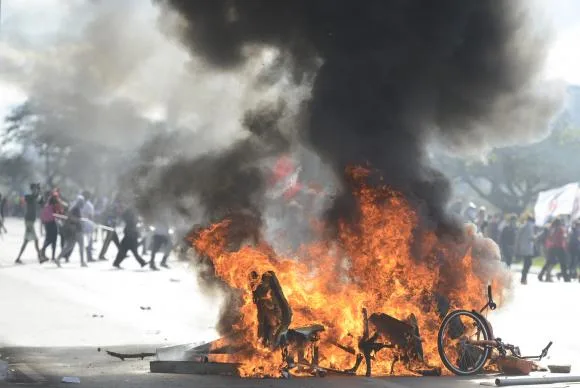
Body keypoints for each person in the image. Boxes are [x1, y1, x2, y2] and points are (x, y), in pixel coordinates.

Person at [15, 184, 47, 264]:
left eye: (36, 189)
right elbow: (33, 197)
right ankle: (40, 258)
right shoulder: (28, 197)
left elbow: (43, 204)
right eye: (34, 189)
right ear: (31, 189)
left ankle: (18, 258)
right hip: (28, 221)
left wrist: (41, 193)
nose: (35, 190)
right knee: (36, 240)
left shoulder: (35, 197)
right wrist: (39, 192)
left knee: (26, 241)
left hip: (31, 221)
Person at [55, 198, 87, 267]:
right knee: (80, 246)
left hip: (74, 230)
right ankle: (82, 262)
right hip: (77, 230)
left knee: (69, 246)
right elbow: (72, 218)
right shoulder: (76, 209)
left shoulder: (74, 208)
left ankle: (58, 258)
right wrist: (79, 220)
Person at [539, 218, 570, 282]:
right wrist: (566, 237)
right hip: (559, 247)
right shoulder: (560, 229)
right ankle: (566, 278)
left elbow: (550, 237)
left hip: (552, 247)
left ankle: (541, 274)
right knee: (563, 263)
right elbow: (563, 237)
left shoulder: (551, 228)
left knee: (549, 262)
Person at [516, 215, 536, 285]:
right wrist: (536, 237)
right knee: (528, 263)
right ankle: (523, 278)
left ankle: (523, 278)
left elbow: (518, 236)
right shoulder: (530, 226)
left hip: (523, 247)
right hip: (528, 248)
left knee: (526, 263)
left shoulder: (523, 225)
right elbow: (531, 237)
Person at [40, 195, 60, 261]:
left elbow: (42, 217)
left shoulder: (46, 206)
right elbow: (58, 215)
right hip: (52, 224)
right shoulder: (53, 207)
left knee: (48, 239)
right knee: (53, 240)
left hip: (46, 224)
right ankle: (51, 255)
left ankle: (43, 251)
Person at [81, 191, 95, 262]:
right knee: (89, 242)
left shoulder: (79, 204)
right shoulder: (89, 205)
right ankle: (89, 257)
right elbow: (91, 216)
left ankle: (66, 255)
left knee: (79, 242)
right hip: (88, 225)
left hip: (80, 225)